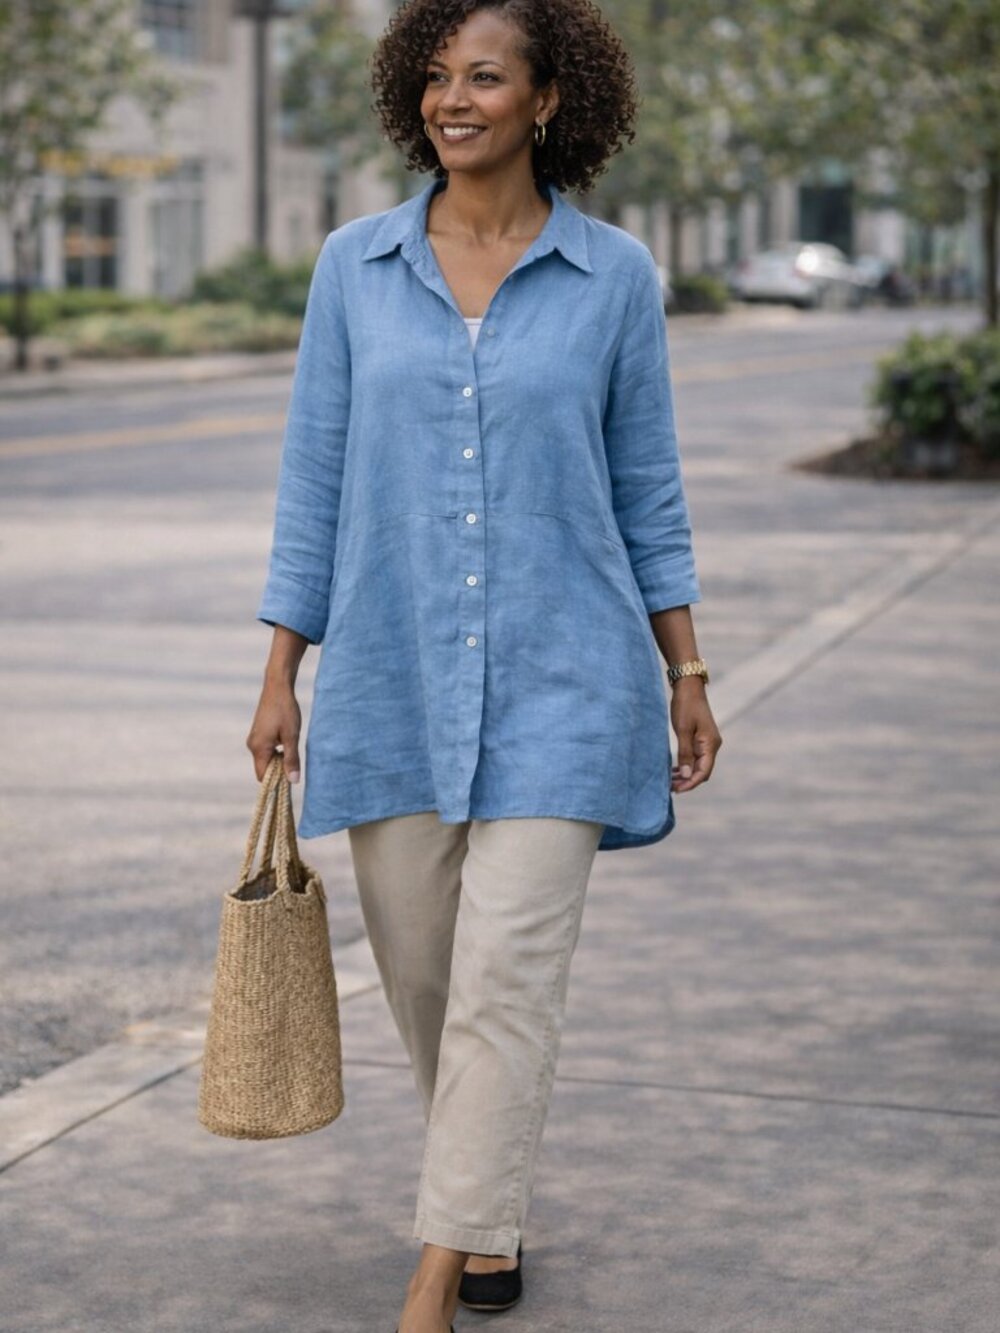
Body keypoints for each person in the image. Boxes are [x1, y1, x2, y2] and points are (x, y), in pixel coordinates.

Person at [246, 0, 723, 1328]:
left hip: (571, 680)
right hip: (393, 676)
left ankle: (434, 1276)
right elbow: (313, 479)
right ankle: (488, 1212)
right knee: (430, 982)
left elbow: (649, 490)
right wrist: (282, 671)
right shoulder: (355, 265)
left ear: (552, 99)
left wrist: (688, 670)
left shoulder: (614, 276)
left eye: (488, 77)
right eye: (439, 77)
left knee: (510, 982)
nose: (457, 99)